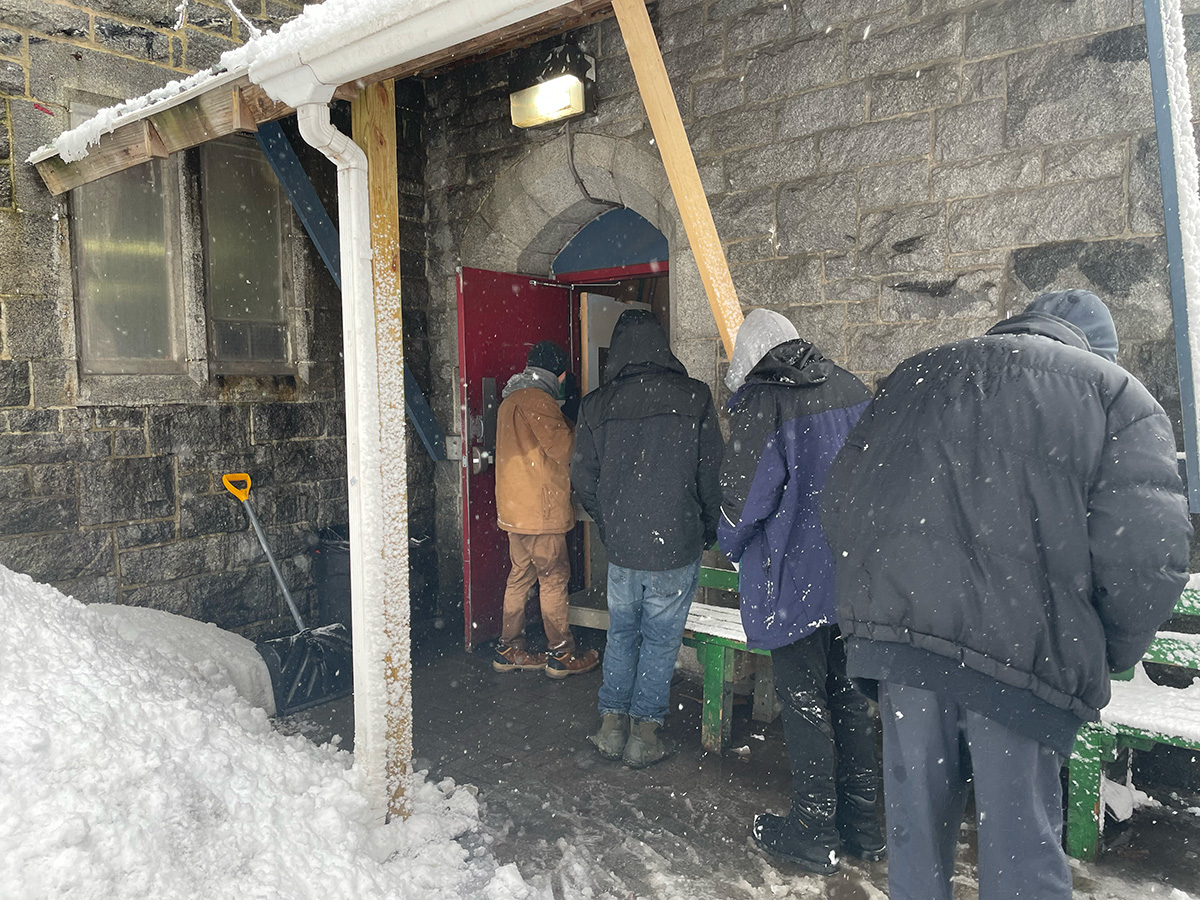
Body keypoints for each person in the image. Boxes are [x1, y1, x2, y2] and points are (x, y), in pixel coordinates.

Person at [821, 290, 1192, 900]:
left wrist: (873, 614)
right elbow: (1149, 556)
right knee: (1020, 852)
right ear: (1096, 348)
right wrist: (1106, 650)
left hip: (907, 652)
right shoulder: (1112, 396)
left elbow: (842, 501)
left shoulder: (917, 377)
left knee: (915, 836)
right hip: (1024, 663)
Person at [717, 309, 884, 874]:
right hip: (849, 578)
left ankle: (814, 831)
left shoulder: (767, 402)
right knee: (851, 697)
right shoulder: (850, 386)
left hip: (794, 579)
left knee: (805, 702)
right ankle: (864, 825)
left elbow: (742, 502)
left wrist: (731, 542)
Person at [571, 309, 724, 767]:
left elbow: (584, 480)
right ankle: (645, 735)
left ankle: (611, 726)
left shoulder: (597, 405)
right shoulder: (694, 396)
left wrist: (610, 525)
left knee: (621, 634)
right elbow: (711, 475)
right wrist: (706, 527)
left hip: (622, 549)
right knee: (660, 640)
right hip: (674, 545)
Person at [493, 340, 599, 678]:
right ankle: (561, 655)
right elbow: (565, 450)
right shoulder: (539, 401)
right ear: (561, 374)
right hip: (540, 513)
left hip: (514, 510)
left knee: (520, 577)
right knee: (553, 579)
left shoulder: (510, 400)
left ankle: (509, 648)